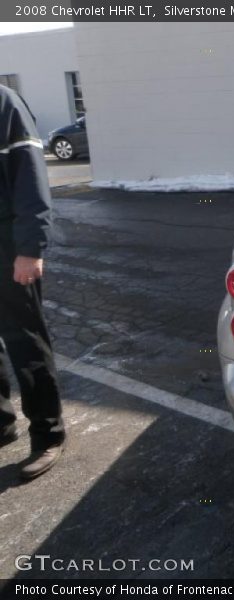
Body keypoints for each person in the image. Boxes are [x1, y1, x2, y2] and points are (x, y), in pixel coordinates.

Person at [0, 84, 65, 480]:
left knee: (25, 340)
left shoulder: (4, 102)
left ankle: (48, 435)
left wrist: (30, 248)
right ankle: (2, 426)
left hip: (8, 244)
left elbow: (31, 179)